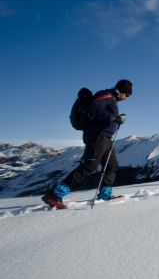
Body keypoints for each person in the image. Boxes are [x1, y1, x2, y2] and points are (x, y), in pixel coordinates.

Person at [42, 79, 133, 209]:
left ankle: (105, 194)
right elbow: (94, 107)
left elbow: (103, 114)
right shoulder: (107, 95)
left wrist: (116, 119)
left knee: (111, 165)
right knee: (89, 166)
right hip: (97, 137)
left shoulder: (112, 99)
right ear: (121, 91)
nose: (127, 98)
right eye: (127, 94)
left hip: (106, 138)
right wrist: (113, 118)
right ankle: (54, 195)